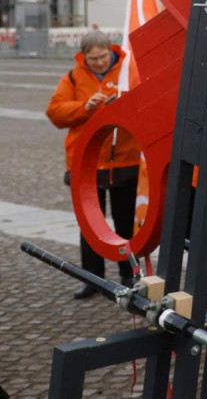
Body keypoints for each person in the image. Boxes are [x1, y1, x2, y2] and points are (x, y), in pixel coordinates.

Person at [46, 31, 140, 299]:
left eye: (103, 57)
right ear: (83, 57)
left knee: (124, 224)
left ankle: (128, 275)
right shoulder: (74, 76)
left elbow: (144, 103)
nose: (99, 63)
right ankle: (92, 278)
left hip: (124, 159)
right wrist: (84, 107)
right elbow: (55, 112)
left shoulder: (128, 71)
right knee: (89, 226)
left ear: (111, 51)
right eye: (93, 59)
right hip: (86, 163)